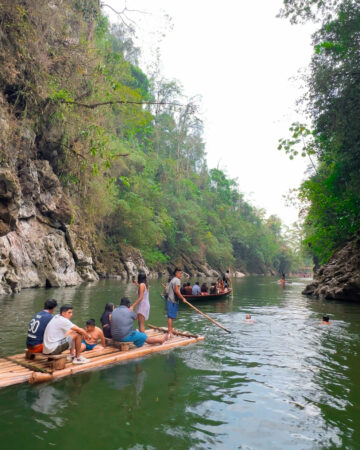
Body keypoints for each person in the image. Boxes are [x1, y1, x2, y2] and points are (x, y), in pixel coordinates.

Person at [167, 268, 186, 338]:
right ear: (176, 273)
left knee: (170, 316)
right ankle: (169, 332)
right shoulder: (177, 280)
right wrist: (182, 298)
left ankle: (170, 330)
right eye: (180, 273)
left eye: (181, 273)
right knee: (170, 317)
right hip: (173, 301)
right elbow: (177, 291)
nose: (181, 275)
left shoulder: (173, 279)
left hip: (170, 300)